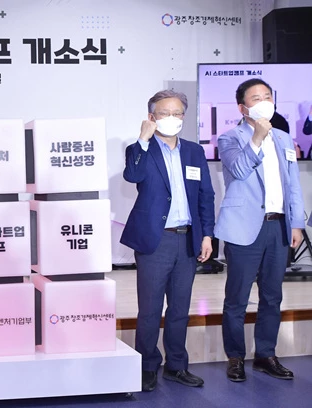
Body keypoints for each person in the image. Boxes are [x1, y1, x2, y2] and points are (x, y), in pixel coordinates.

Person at [120, 90, 215, 392]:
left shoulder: (194, 151)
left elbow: (205, 195)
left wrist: (207, 234)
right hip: (155, 240)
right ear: (152, 117)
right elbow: (132, 176)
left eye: (177, 113)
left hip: (187, 239)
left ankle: (176, 366)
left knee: (179, 309)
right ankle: (147, 366)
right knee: (150, 310)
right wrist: (143, 139)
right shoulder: (140, 149)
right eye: (164, 113)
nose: (172, 118)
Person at [215, 78, 304, 382]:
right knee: (237, 298)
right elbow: (239, 170)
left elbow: (293, 184)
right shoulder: (230, 138)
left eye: (268, 96)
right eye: (256, 98)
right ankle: (235, 357)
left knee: (272, 296)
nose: (264, 101)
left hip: (278, 226)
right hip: (244, 227)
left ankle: (266, 354)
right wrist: (257, 137)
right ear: (243, 108)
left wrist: (296, 223)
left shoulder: (283, 138)